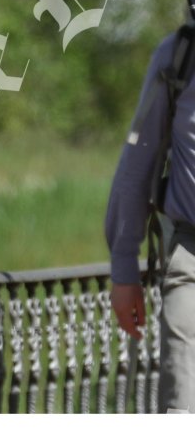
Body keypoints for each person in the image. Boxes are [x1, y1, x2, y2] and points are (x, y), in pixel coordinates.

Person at [105, 23, 195, 413]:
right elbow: (136, 165)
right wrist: (125, 268)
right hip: (190, 264)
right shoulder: (178, 57)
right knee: (182, 406)